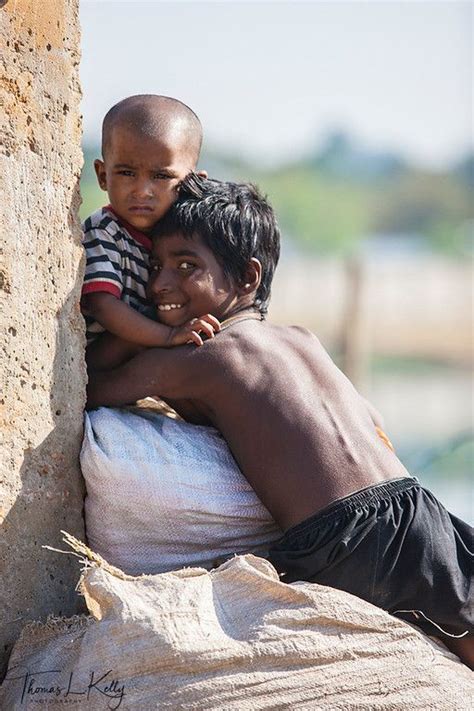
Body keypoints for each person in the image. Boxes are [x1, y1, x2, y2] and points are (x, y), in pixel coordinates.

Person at [86, 175, 473, 668]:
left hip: (338, 541)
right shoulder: (301, 338)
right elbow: (372, 420)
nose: (160, 283)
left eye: (186, 266)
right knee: (463, 624)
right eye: (155, 266)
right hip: (414, 505)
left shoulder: (201, 355)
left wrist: (134, 327)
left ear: (247, 278)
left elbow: (89, 388)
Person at [81, 95, 219, 357]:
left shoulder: (184, 235)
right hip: (99, 365)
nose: (142, 191)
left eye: (161, 176)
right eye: (126, 173)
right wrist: (169, 336)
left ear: (194, 183)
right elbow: (103, 305)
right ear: (102, 175)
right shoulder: (104, 232)